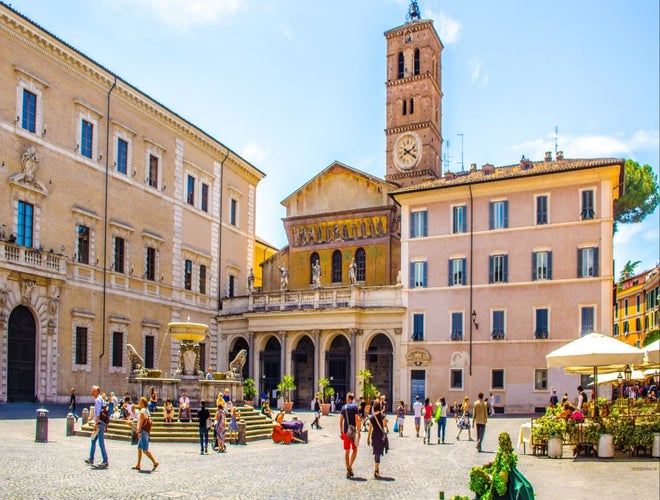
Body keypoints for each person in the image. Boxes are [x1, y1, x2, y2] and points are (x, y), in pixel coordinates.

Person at [85, 385, 109, 468]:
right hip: (101, 423)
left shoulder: (98, 400)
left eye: (93, 391)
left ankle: (105, 461)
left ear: (96, 392)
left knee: (101, 443)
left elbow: (98, 413)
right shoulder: (100, 399)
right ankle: (91, 458)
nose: (91, 392)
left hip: (99, 423)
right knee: (93, 440)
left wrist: (96, 424)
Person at [132, 397, 158, 471]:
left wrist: (138, 431)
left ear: (142, 403)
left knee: (145, 450)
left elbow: (140, 423)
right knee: (139, 448)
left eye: (139, 401)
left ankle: (155, 462)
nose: (138, 403)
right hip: (145, 431)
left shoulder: (142, 411)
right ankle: (138, 464)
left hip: (143, 431)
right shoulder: (146, 410)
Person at [339, 392, 360, 479]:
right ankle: (350, 466)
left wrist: (341, 432)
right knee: (354, 450)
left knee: (347, 451)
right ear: (352, 399)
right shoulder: (355, 407)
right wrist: (359, 431)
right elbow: (357, 419)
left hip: (345, 432)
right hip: (353, 431)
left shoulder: (344, 407)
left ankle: (348, 468)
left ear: (347, 399)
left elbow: (340, 421)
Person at [366, 401, 389, 479]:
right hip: (380, 436)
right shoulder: (382, 416)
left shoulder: (372, 417)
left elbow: (370, 428)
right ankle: (376, 470)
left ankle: (376, 469)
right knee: (378, 453)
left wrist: (368, 438)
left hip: (374, 436)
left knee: (376, 452)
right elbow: (385, 425)